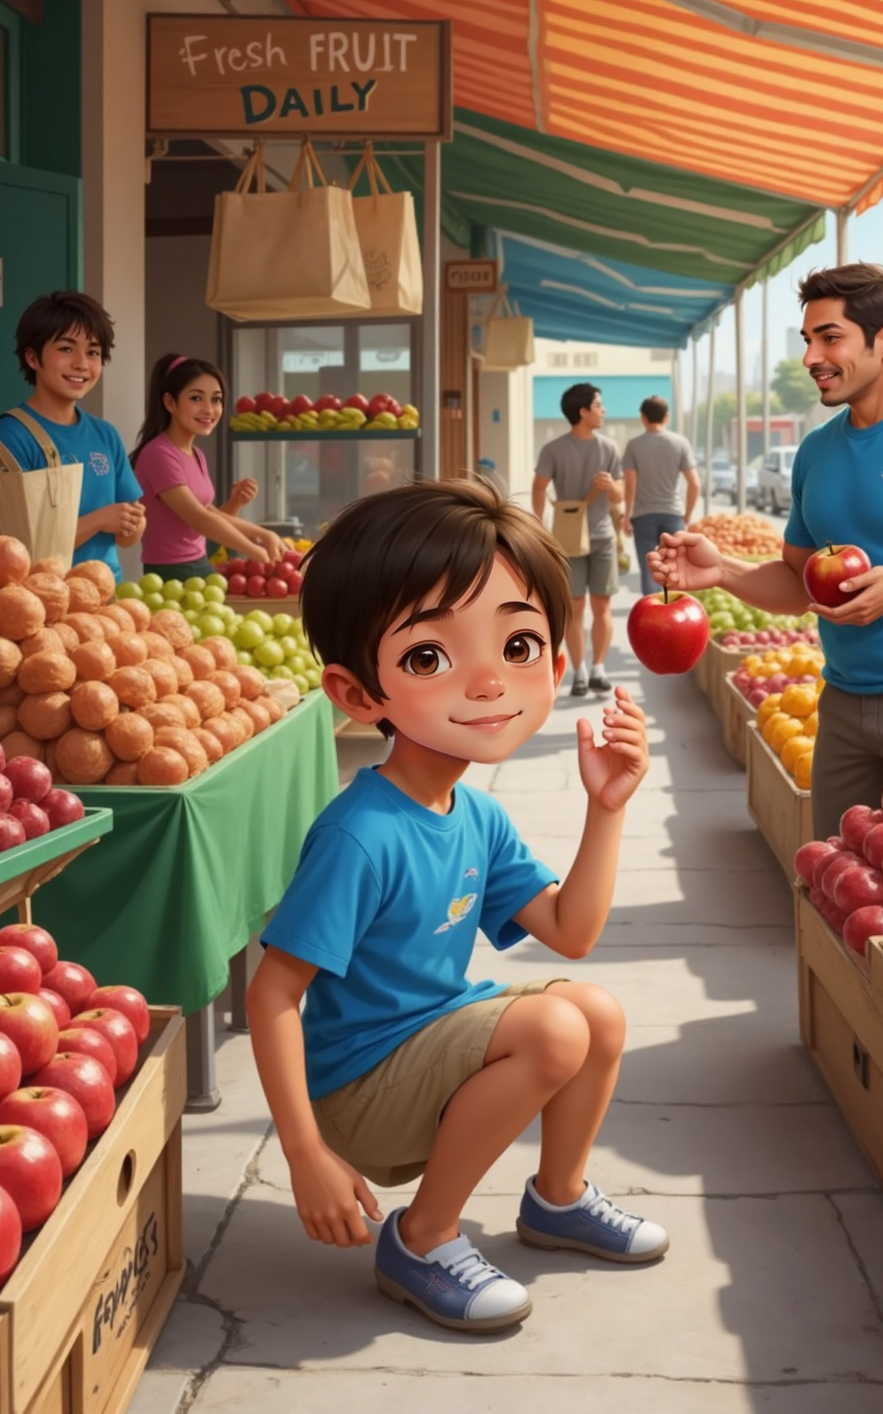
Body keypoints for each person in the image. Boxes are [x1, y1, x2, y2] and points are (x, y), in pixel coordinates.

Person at [246, 479, 663, 1335]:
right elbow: (272, 994)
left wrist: (608, 805)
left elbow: (571, 935)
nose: (487, 683)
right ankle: (422, 1238)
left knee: (598, 1014)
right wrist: (305, 1155)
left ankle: (557, 1198)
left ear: (554, 664)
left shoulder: (473, 811)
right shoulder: (361, 833)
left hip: (427, 1039)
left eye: (517, 645)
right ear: (359, 693)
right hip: (356, 1085)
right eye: (429, 658)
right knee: (555, 1031)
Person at [650, 263, 883, 840]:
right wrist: (723, 570)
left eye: (830, 338)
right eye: (808, 340)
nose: (811, 357)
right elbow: (798, 582)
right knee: (839, 879)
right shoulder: (815, 453)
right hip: (844, 702)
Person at [0, 291, 146, 578]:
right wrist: (98, 520)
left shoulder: (106, 434)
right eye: (66, 349)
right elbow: (4, 551)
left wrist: (133, 524)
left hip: (109, 601)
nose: (81, 363)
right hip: (42, 602)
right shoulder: (7, 437)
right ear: (33, 357)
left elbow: (126, 538)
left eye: (93, 352)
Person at [130, 353, 286, 582]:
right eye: (196, 398)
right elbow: (199, 519)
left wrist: (263, 533)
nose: (209, 409)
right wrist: (255, 551)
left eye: (216, 399)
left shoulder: (196, 455)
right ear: (170, 402)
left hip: (201, 567)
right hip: (170, 576)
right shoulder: (158, 454)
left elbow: (209, 514)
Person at [532, 383, 624, 696]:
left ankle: (597, 668)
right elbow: (539, 485)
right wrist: (539, 525)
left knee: (601, 607)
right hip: (569, 540)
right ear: (583, 412)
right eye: (599, 405)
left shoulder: (609, 448)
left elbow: (620, 494)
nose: (603, 410)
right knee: (576, 609)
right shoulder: (554, 449)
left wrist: (611, 486)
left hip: (601, 537)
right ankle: (580, 672)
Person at [622, 395, 699, 595]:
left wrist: (626, 515)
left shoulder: (634, 445)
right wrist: (687, 515)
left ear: (642, 417)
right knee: (675, 568)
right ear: (666, 417)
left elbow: (630, 485)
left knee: (650, 569)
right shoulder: (680, 443)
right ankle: (675, 614)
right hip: (673, 514)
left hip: (643, 516)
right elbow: (694, 484)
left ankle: (651, 615)